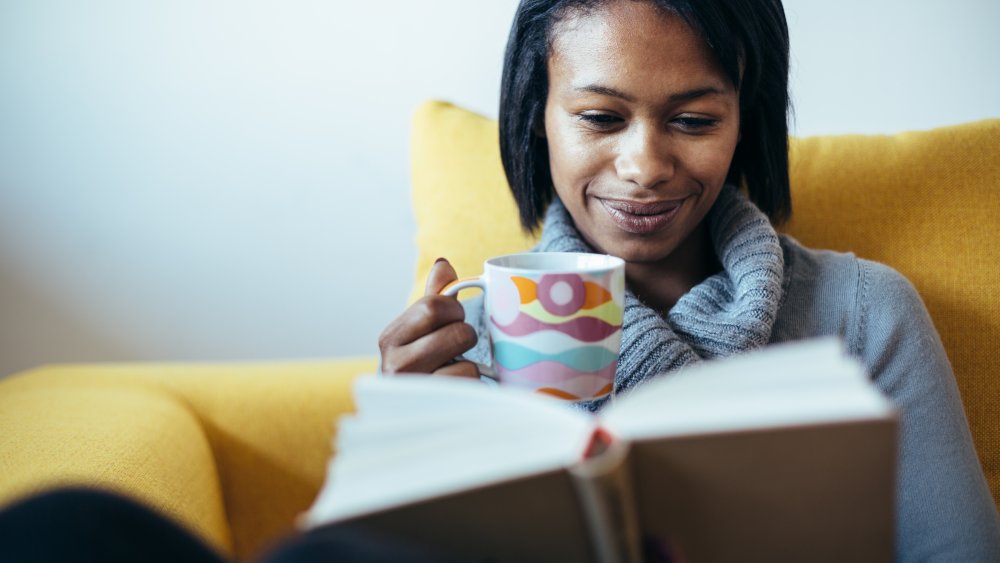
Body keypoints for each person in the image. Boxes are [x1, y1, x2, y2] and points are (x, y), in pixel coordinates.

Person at [378, 0, 1000, 560]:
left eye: (695, 121)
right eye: (599, 116)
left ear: (742, 122)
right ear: (537, 115)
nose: (644, 167)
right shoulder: (464, 352)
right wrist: (402, 452)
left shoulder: (864, 315)